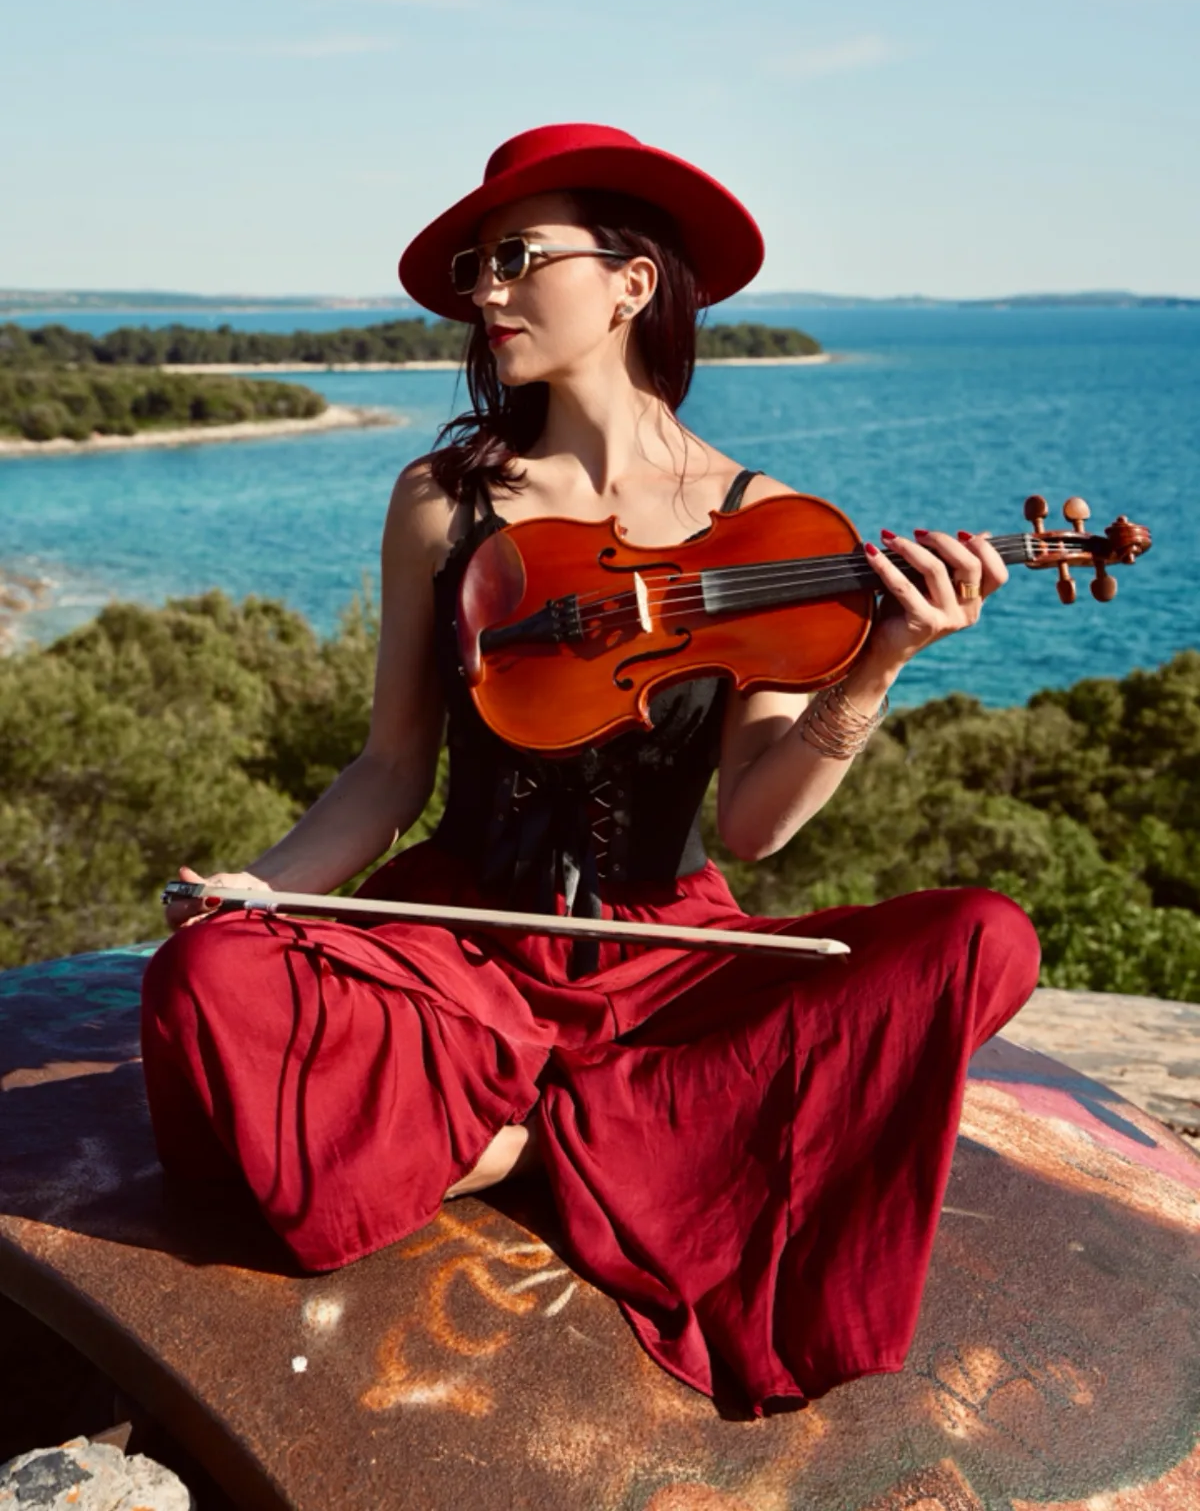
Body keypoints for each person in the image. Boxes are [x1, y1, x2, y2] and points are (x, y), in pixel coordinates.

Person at [142, 123, 1040, 1414]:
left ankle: (524, 1136)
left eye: (514, 256)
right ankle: (621, 1141)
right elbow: (391, 770)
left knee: (986, 940)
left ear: (630, 279)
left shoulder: (765, 526)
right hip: (468, 944)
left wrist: (878, 659)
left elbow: (754, 826)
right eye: (474, 267)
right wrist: (264, 885)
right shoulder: (446, 501)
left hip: (666, 961)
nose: (486, 291)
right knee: (209, 975)